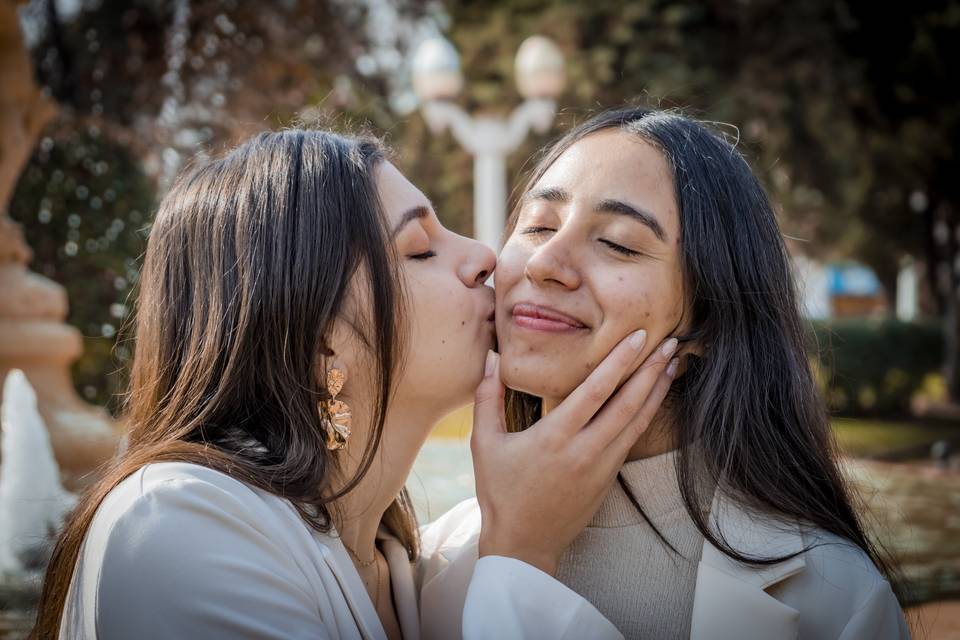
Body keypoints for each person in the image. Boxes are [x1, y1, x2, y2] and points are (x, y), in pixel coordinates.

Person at [31, 129, 678, 639]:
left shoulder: (405, 569)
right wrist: (522, 557)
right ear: (316, 343)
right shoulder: (174, 525)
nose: (486, 256)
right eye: (421, 249)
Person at [419, 107, 911, 640]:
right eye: (537, 226)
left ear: (708, 317)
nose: (544, 264)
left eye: (618, 243)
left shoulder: (836, 595)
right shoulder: (429, 562)